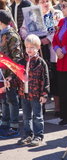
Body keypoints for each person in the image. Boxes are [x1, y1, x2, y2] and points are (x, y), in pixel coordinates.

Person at [9, 34, 50, 146]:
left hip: (36, 94)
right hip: (24, 94)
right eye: (27, 47)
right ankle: (28, 135)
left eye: (32, 47)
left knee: (37, 116)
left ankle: (38, 136)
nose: (29, 49)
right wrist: (10, 81)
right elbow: (16, 77)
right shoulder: (22, 62)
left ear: (38, 48)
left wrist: (44, 94)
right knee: (26, 117)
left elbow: (45, 79)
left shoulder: (41, 63)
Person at [0, 10, 23, 138]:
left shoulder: (12, 35)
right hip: (2, 73)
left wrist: (12, 75)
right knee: (4, 99)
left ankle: (14, 126)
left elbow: (17, 57)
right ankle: (5, 123)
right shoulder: (2, 33)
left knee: (11, 99)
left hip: (9, 74)